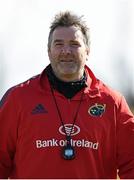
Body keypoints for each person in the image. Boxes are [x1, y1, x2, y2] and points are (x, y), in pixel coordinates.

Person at [0, 11, 134, 179]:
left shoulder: (113, 104)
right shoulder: (17, 99)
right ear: (48, 51)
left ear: (88, 51)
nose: (66, 51)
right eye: (58, 44)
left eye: (74, 44)